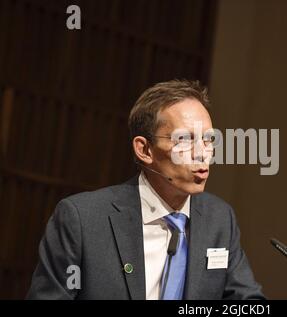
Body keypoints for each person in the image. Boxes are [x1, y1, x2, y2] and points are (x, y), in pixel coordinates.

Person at [27, 80, 265, 300]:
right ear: (144, 150)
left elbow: (246, 301)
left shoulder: (219, 219)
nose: (202, 153)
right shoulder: (82, 219)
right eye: (185, 140)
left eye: (209, 140)